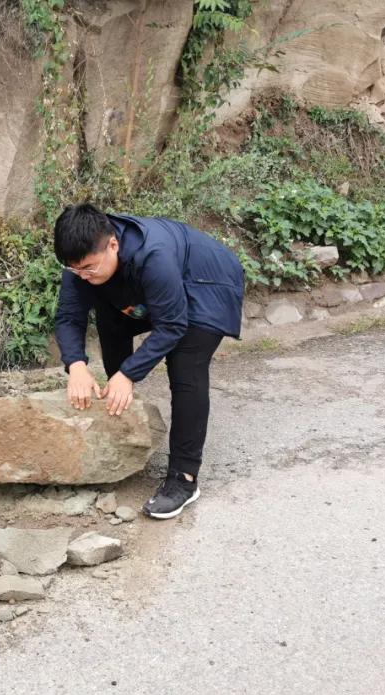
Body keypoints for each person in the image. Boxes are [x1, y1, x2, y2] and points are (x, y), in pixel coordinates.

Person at [52, 202, 244, 519]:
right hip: (152, 287)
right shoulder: (83, 260)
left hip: (207, 283)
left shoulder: (153, 255)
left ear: (112, 244)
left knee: (186, 364)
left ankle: (184, 479)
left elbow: (172, 325)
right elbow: (69, 316)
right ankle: (124, 418)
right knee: (109, 316)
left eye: (88, 269)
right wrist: (76, 366)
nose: (82, 276)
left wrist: (128, 374)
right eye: (76, 270)